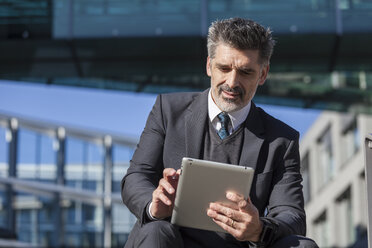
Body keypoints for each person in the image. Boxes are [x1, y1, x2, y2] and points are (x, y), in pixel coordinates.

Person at [121, 17, 318, 248]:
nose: (232, 82)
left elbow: (291, 214)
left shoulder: (281, 140)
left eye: (245, 72)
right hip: (170, 241)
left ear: (263, 74)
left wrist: (259, 229)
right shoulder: (168, 111)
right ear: (208, 65)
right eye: (224, 68)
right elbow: (136, 177)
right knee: (155, 230)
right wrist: (153, 206)